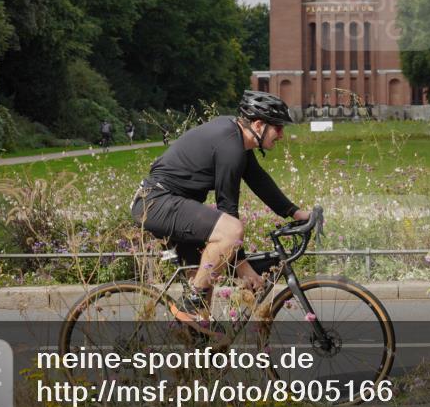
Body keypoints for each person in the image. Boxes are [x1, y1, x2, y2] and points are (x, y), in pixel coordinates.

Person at [130, 90, 310, 329]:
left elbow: (259, 181)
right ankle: (191, 303)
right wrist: (243, 266)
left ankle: (197, 354)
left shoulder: (236, 139)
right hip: (156, 202)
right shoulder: (230, 146)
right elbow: (228, 209)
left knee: (203, 306)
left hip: (169, 203)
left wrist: (296, 213)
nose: (282, 135)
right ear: (258, 125)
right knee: (230, 231)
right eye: (278, 128)